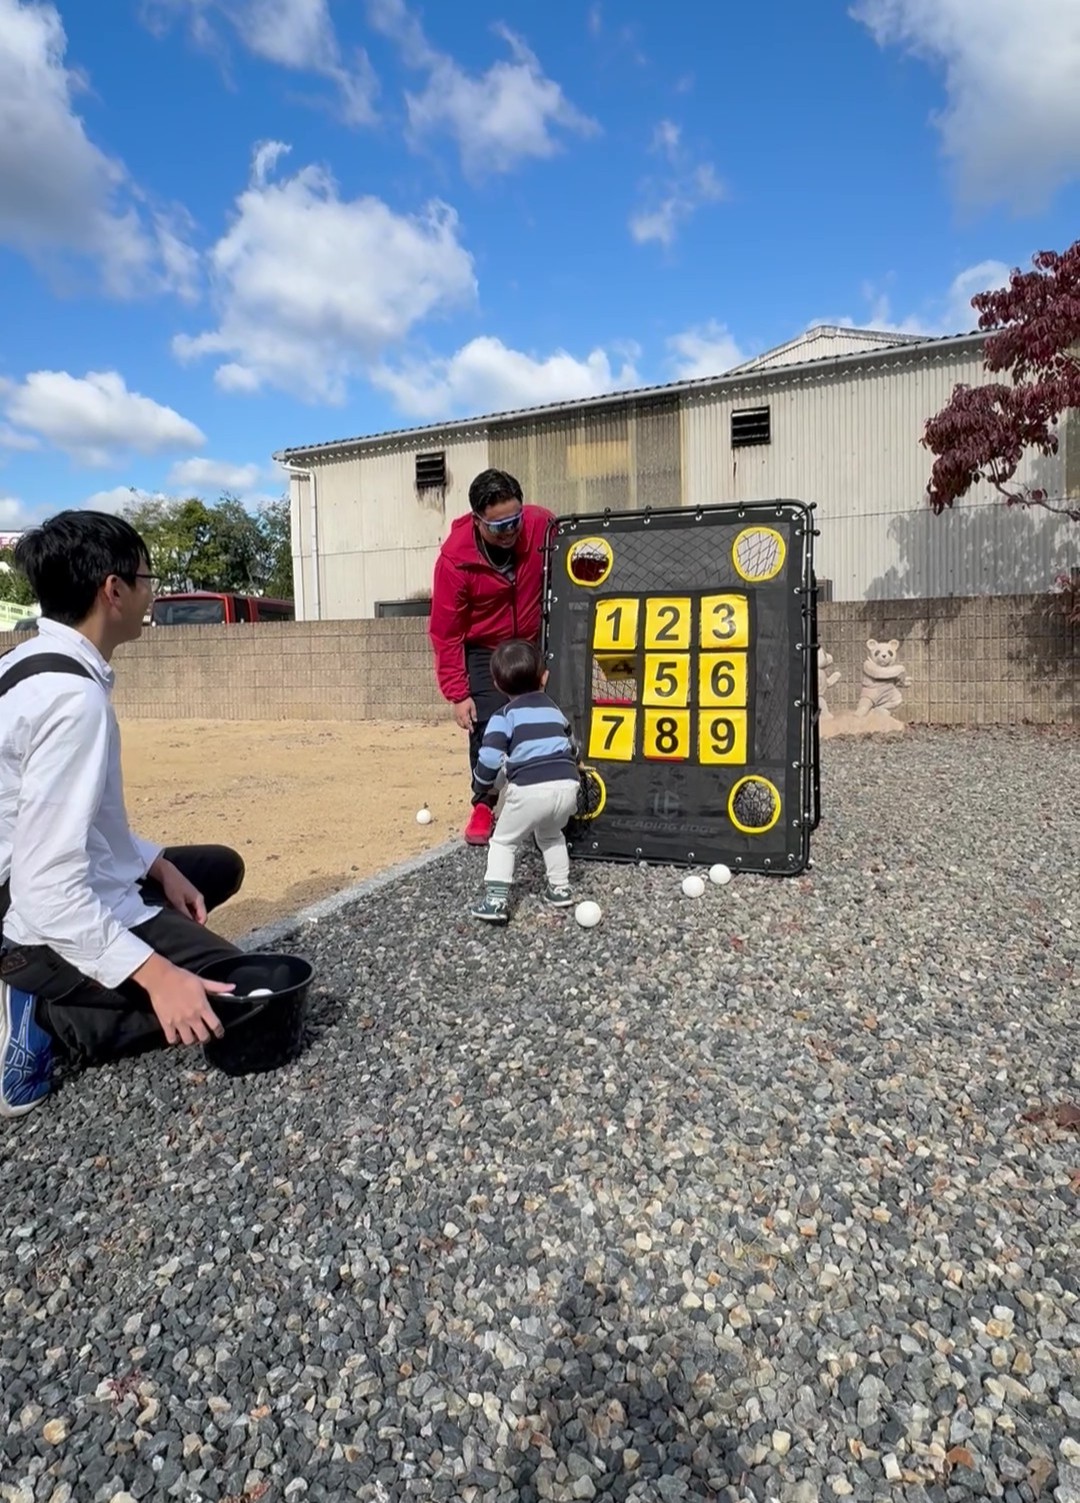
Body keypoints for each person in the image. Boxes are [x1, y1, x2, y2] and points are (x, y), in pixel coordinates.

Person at [0, 511, 247, 1118]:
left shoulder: (26, 663)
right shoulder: (73, 701)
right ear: (113, 589)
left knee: (217, 868)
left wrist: (157, 864)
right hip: (27, 921)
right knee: (240, 993)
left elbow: (76, 824)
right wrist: (158, 976)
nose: (151, 593)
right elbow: (46, 889)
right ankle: (47, 1013)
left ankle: (85, 975)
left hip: (28, 875)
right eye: (146, 578)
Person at [428, 468, 555, 846]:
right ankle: (484, 803)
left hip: (534, 640)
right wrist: (458, 693)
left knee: (550, 719)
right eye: (498, 526)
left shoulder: (543, 525)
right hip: (485, 648)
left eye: (515, 521)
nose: (509, 532)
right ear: (477, 520)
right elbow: (446, 631)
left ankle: (554, 796)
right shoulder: (455, 561)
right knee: (487, 727)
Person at [469, 639, 581, 925]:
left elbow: (490, 757)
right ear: (544, 677)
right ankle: (560, 888)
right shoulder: (554, 710)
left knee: (503, 841)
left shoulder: (504, 716)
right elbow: (572, 746)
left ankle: (495, 902)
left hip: (530, 789)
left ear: (497, 684)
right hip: (567, 786)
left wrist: (481, 784)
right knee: (552, 835)